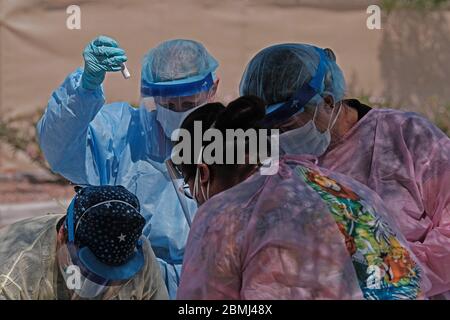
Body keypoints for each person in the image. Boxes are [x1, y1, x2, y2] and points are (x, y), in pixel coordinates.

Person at [239, 44, 450, 298]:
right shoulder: (277, 165)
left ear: (327, 102)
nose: (281, 139)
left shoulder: (405, 137)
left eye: (289, 126)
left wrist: (392, 273)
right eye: (272, 131)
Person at [172, 96, 430, 300]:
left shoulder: (222, 214)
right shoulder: (345, 188)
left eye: (189, 185)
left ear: (203, 172)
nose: (194, 197)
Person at [36, 36, 219, 298]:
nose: (179, 113)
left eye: (189, 105)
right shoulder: (122, 133)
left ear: (213, 90)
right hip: (132, 283)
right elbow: (59, 148)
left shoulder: (228, 143)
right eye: (168, 105)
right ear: (154, 97)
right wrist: (84, 88)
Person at [0, 185, 168, 300]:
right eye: (89, 272)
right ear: (63, 235)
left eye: (113, 277)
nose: (101, 287)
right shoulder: (14, 272)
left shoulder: (140, 254)